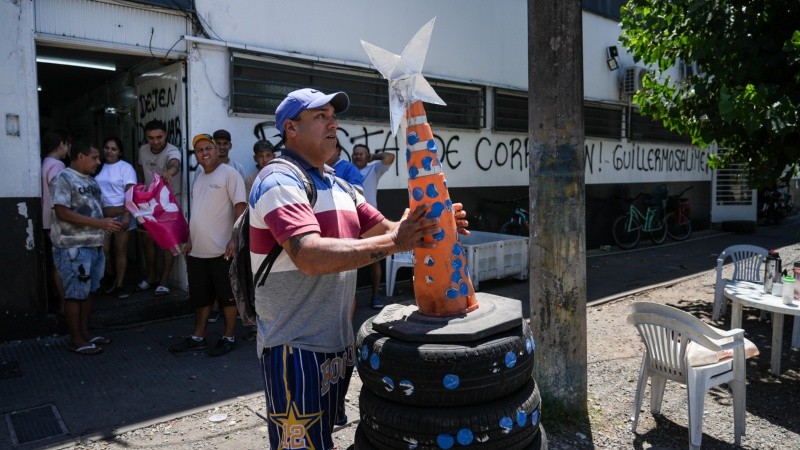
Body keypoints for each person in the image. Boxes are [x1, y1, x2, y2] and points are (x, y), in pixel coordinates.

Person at [249, 88, 467, 450]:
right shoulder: (279, 181)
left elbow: (393, 231)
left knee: (324, 441)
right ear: (290, 128)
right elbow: (310, 256)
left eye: (333, 116)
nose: (333, 123)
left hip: (338, 345)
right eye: (320, 116)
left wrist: (439, 223)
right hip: (294, 348)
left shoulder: (342, 186)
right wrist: (399, 241)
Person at [169, 134, 246, 357]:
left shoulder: (230, 174)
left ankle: (229, 337)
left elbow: (240, 206)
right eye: (200, 150)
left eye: (208, 148)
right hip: (198, 251)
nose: (205, 153)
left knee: (227, 296)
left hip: (223, 250)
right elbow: (199, 212)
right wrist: (191, 240)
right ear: (197, 155)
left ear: (216, 150)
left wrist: (234, 238)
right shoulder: (200, 177)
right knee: (200, 297)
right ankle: (198, 337)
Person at [51, 141, 123, 354]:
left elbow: (102, 210)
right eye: (94, 158)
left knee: (89, 291)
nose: (99, 162)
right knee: (74, 294)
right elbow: (62, 212)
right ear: (80, 156)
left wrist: (129, 206)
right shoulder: (63, 178)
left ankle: (85, 334)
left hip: (94, 245)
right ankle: (76, 340)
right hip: (73, 247)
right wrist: (101, 224)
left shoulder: (92, 182)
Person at [136, 120, 181, 297]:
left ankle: (164, 281)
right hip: (148, 203)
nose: (155, 141)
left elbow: (175, 163)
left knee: (168, 243)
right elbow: (140, 169)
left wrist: (170, 171)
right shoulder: (142, 150)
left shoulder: (172, 150)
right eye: (151, 138)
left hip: (169, 203)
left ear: (166, 134)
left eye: (159, 137)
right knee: (147, 240)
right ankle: (151, 276)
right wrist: (141, 192)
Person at [352, 143, 396, 309]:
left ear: (367, 156)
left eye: (361, 154)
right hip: (350, 219)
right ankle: (349, 298)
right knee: (349, 259)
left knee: (374, 259)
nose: (358, 156)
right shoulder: (346, 170)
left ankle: (375, 295)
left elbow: (390, 157)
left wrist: (374, 156)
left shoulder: (374, 169)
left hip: (371, 220)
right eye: (355, 154)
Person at [95, 137, 137, 299]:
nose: (109, 151)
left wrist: (126, 215)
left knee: (120, 251)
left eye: (113, 149)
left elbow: (130, 192)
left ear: (120, 152)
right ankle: (109, 275)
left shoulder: (126, 168)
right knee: (103, 250)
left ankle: (119, 284)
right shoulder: (98, 166)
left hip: (121, 214)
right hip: (102, 215)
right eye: (106, 148)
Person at [41, 129, 71, 313]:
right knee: (63, 264)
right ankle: (65, 302)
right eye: (67, 144)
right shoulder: (57, 166)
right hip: (58, 220)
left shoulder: (46, 162)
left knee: (57, 263)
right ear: (61, 144)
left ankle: (62, 301)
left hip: (48, 220)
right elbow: (59, 195)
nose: (68, 148)